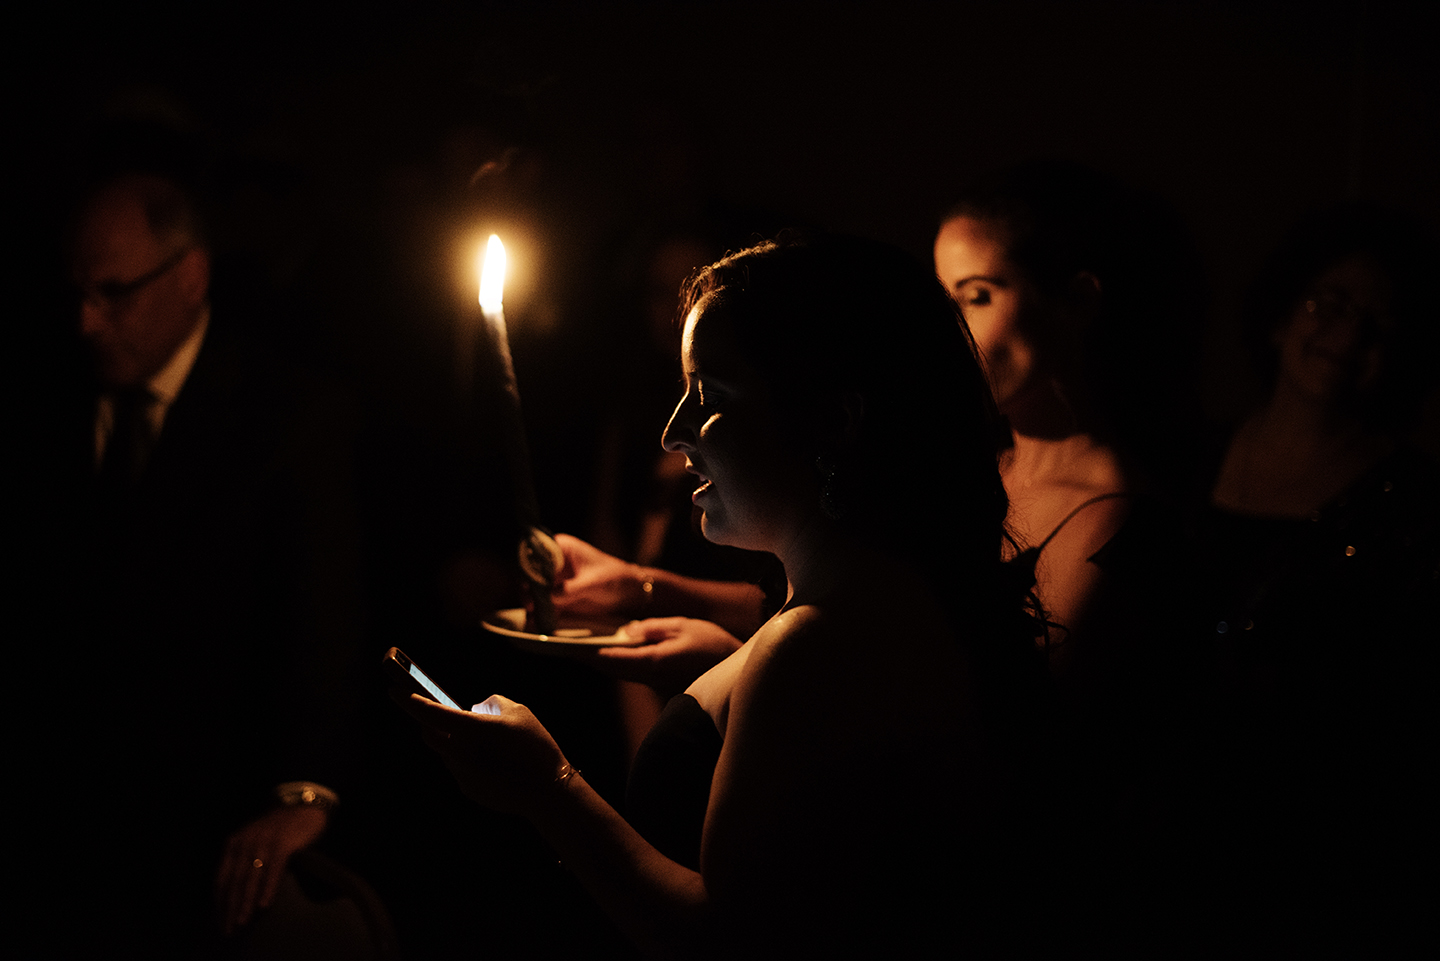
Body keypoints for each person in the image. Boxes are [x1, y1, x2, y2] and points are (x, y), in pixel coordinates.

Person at [395, 234, 1049, 957]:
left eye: (709, 396)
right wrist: (722, 674)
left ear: (833, 419)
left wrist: (548, 785)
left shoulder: (814, 649)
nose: (674, 434)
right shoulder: (896, 597)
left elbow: (727, 940)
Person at [59, 169, 368, 954]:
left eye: (113, 292)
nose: (87, 321)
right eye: (78, 293)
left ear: (191, 275)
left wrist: (304, 789)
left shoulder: (288, 417)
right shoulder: (54, 396)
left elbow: (323, 619)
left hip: (207, 820)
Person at [1181, 204, 1439, 950]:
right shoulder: (1188, 455)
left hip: (1315, 844)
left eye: (1379, 323)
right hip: (1171, 814)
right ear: (1280, 312)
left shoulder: (1415, 502)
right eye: (1329, 302)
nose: (1348, 333)